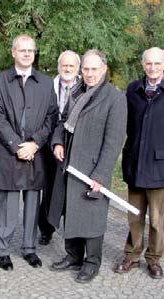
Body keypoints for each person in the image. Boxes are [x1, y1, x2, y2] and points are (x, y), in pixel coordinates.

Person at [48, 50, 127, 283]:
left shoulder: (115, 98)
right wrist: (58, 141)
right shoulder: (76, 91)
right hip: (69, 164)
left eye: (94, 69)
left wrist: (100, 174)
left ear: (104, 69)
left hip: (92, 169)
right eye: (86, 69)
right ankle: (73, 256)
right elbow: (63, 122)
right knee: (70, 212)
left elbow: (114, 142)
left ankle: (92, 262)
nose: (89, 74)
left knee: (92, 217)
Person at [115, 47, 164, 279]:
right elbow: (127, 125)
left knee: (157, 218)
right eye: (149, 63)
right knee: (134, 215)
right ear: (143, 64)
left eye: (157, 64)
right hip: (135, 163)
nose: (153, 68)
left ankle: (154, 259)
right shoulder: (133, 90)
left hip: (161, 165)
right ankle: (132, 254)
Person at [0, 34, 58, 271]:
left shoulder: (46, 83)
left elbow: (52, 116)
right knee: (5, 204)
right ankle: (3, 250)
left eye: (31, 50)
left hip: (35, 153)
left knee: (31, 202)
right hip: (9, 152)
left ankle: (29, 248)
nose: (27, 54)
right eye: (22, 50)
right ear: (13, 52)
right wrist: (18, 145)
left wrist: (35, 143)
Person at [39, 50, 83, 246]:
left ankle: (71, 233)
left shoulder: (85, 87)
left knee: (70, 189)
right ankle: (46, 229)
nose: (67, 69)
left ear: (77, 68)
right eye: (64, 65)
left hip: (74, 146)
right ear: (59, 66)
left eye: (71, 66)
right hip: (47, 145)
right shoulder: (48, 85)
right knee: (49, 189)